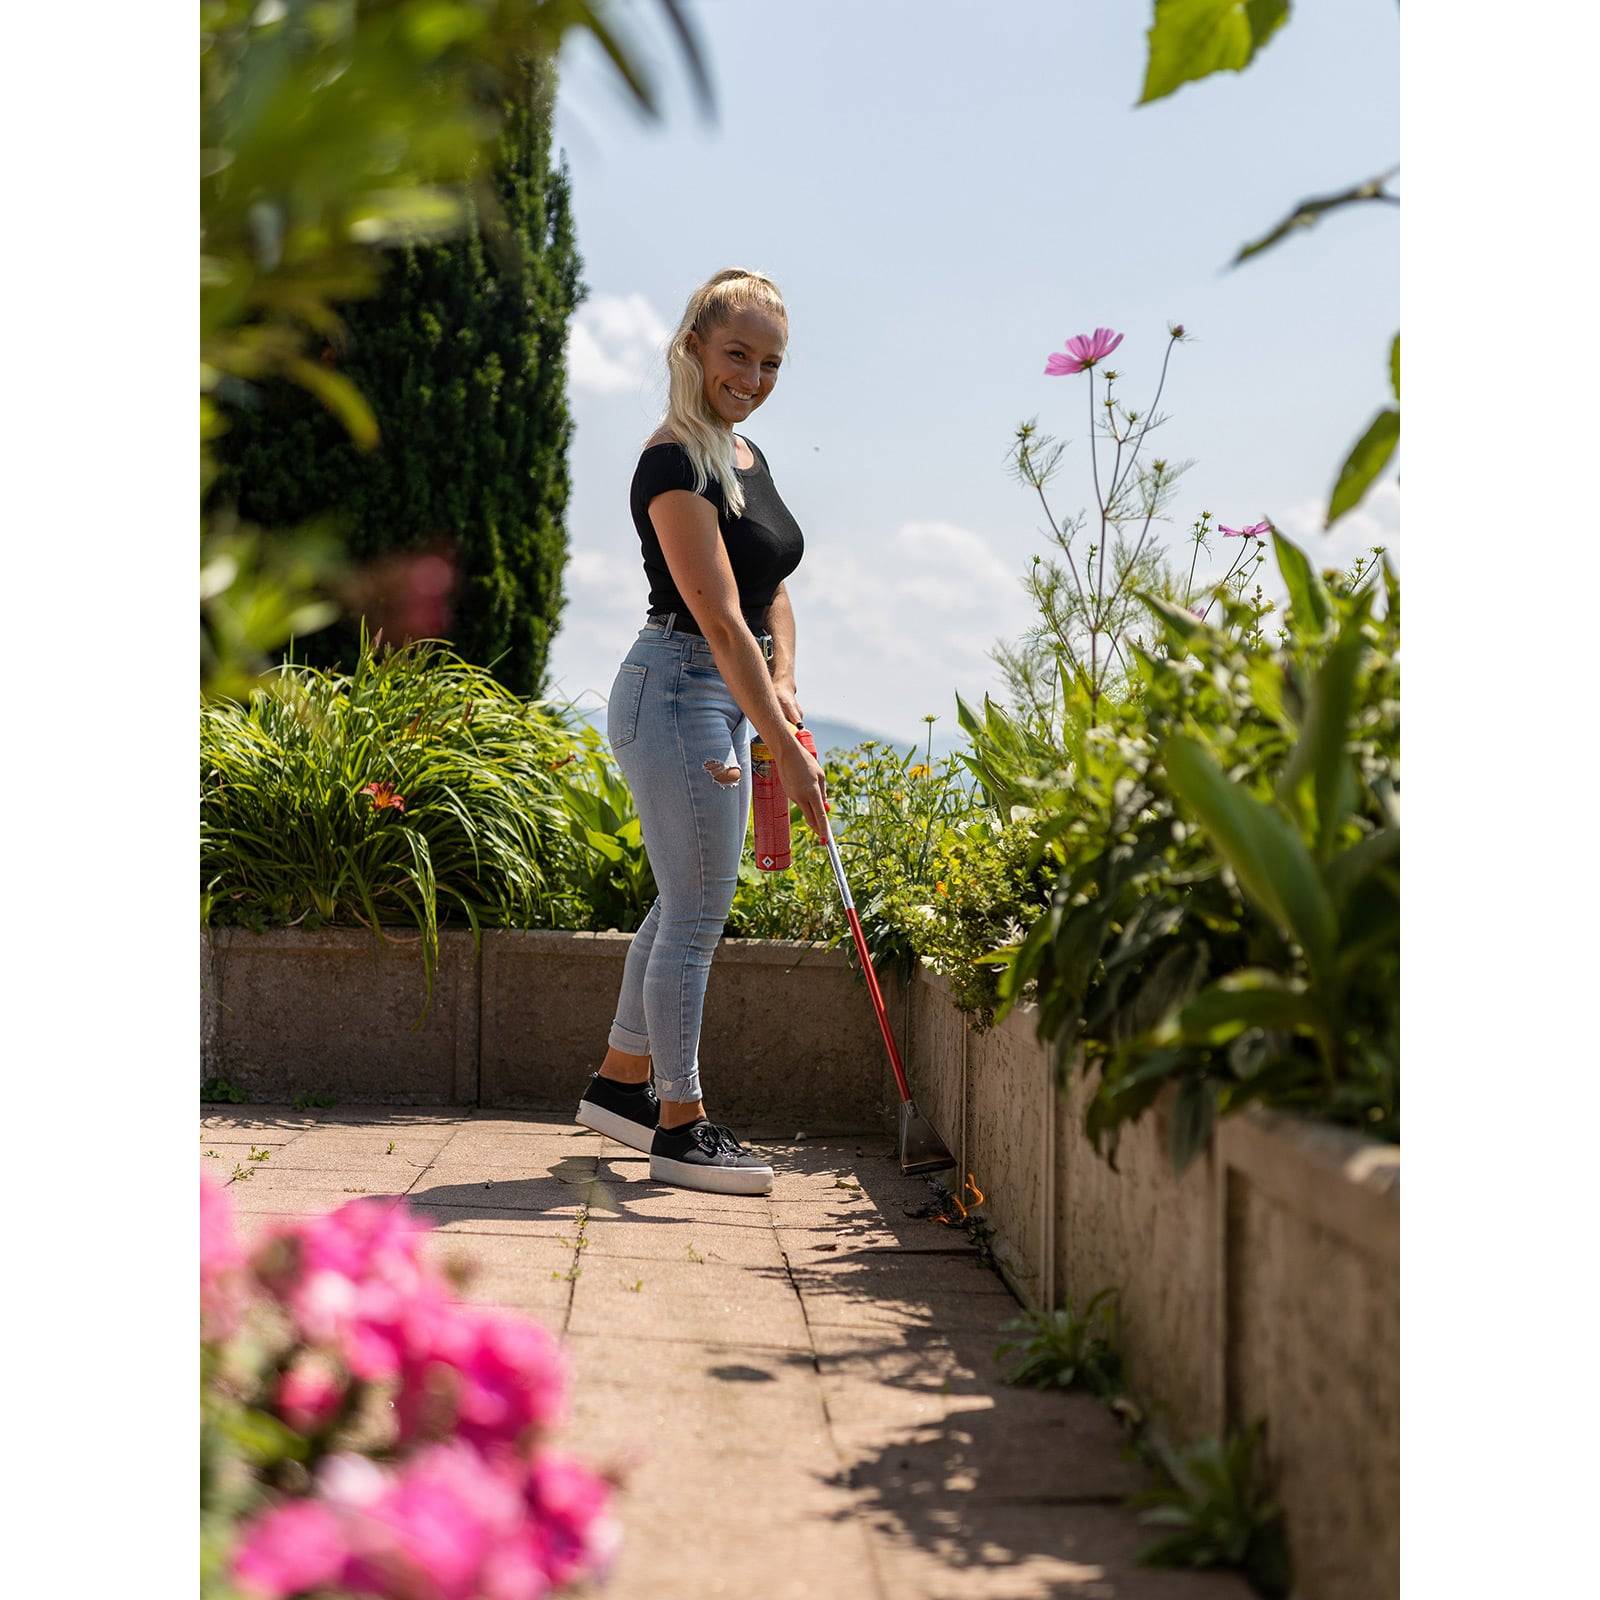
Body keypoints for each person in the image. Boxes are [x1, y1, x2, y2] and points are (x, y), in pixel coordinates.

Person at [573, 269, 830, 1196]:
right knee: (697, 910)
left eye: (770, 362)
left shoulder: (743, 456)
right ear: (692, 348)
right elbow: (720, 620)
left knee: (683, 898)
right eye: (737, 355)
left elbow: (772, 590)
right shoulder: (673, 461)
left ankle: (620, 1082)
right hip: (676, 686)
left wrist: (786, 685)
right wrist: (793, 758)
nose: (753, 376)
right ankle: (679, 1126)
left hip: (725, 688)